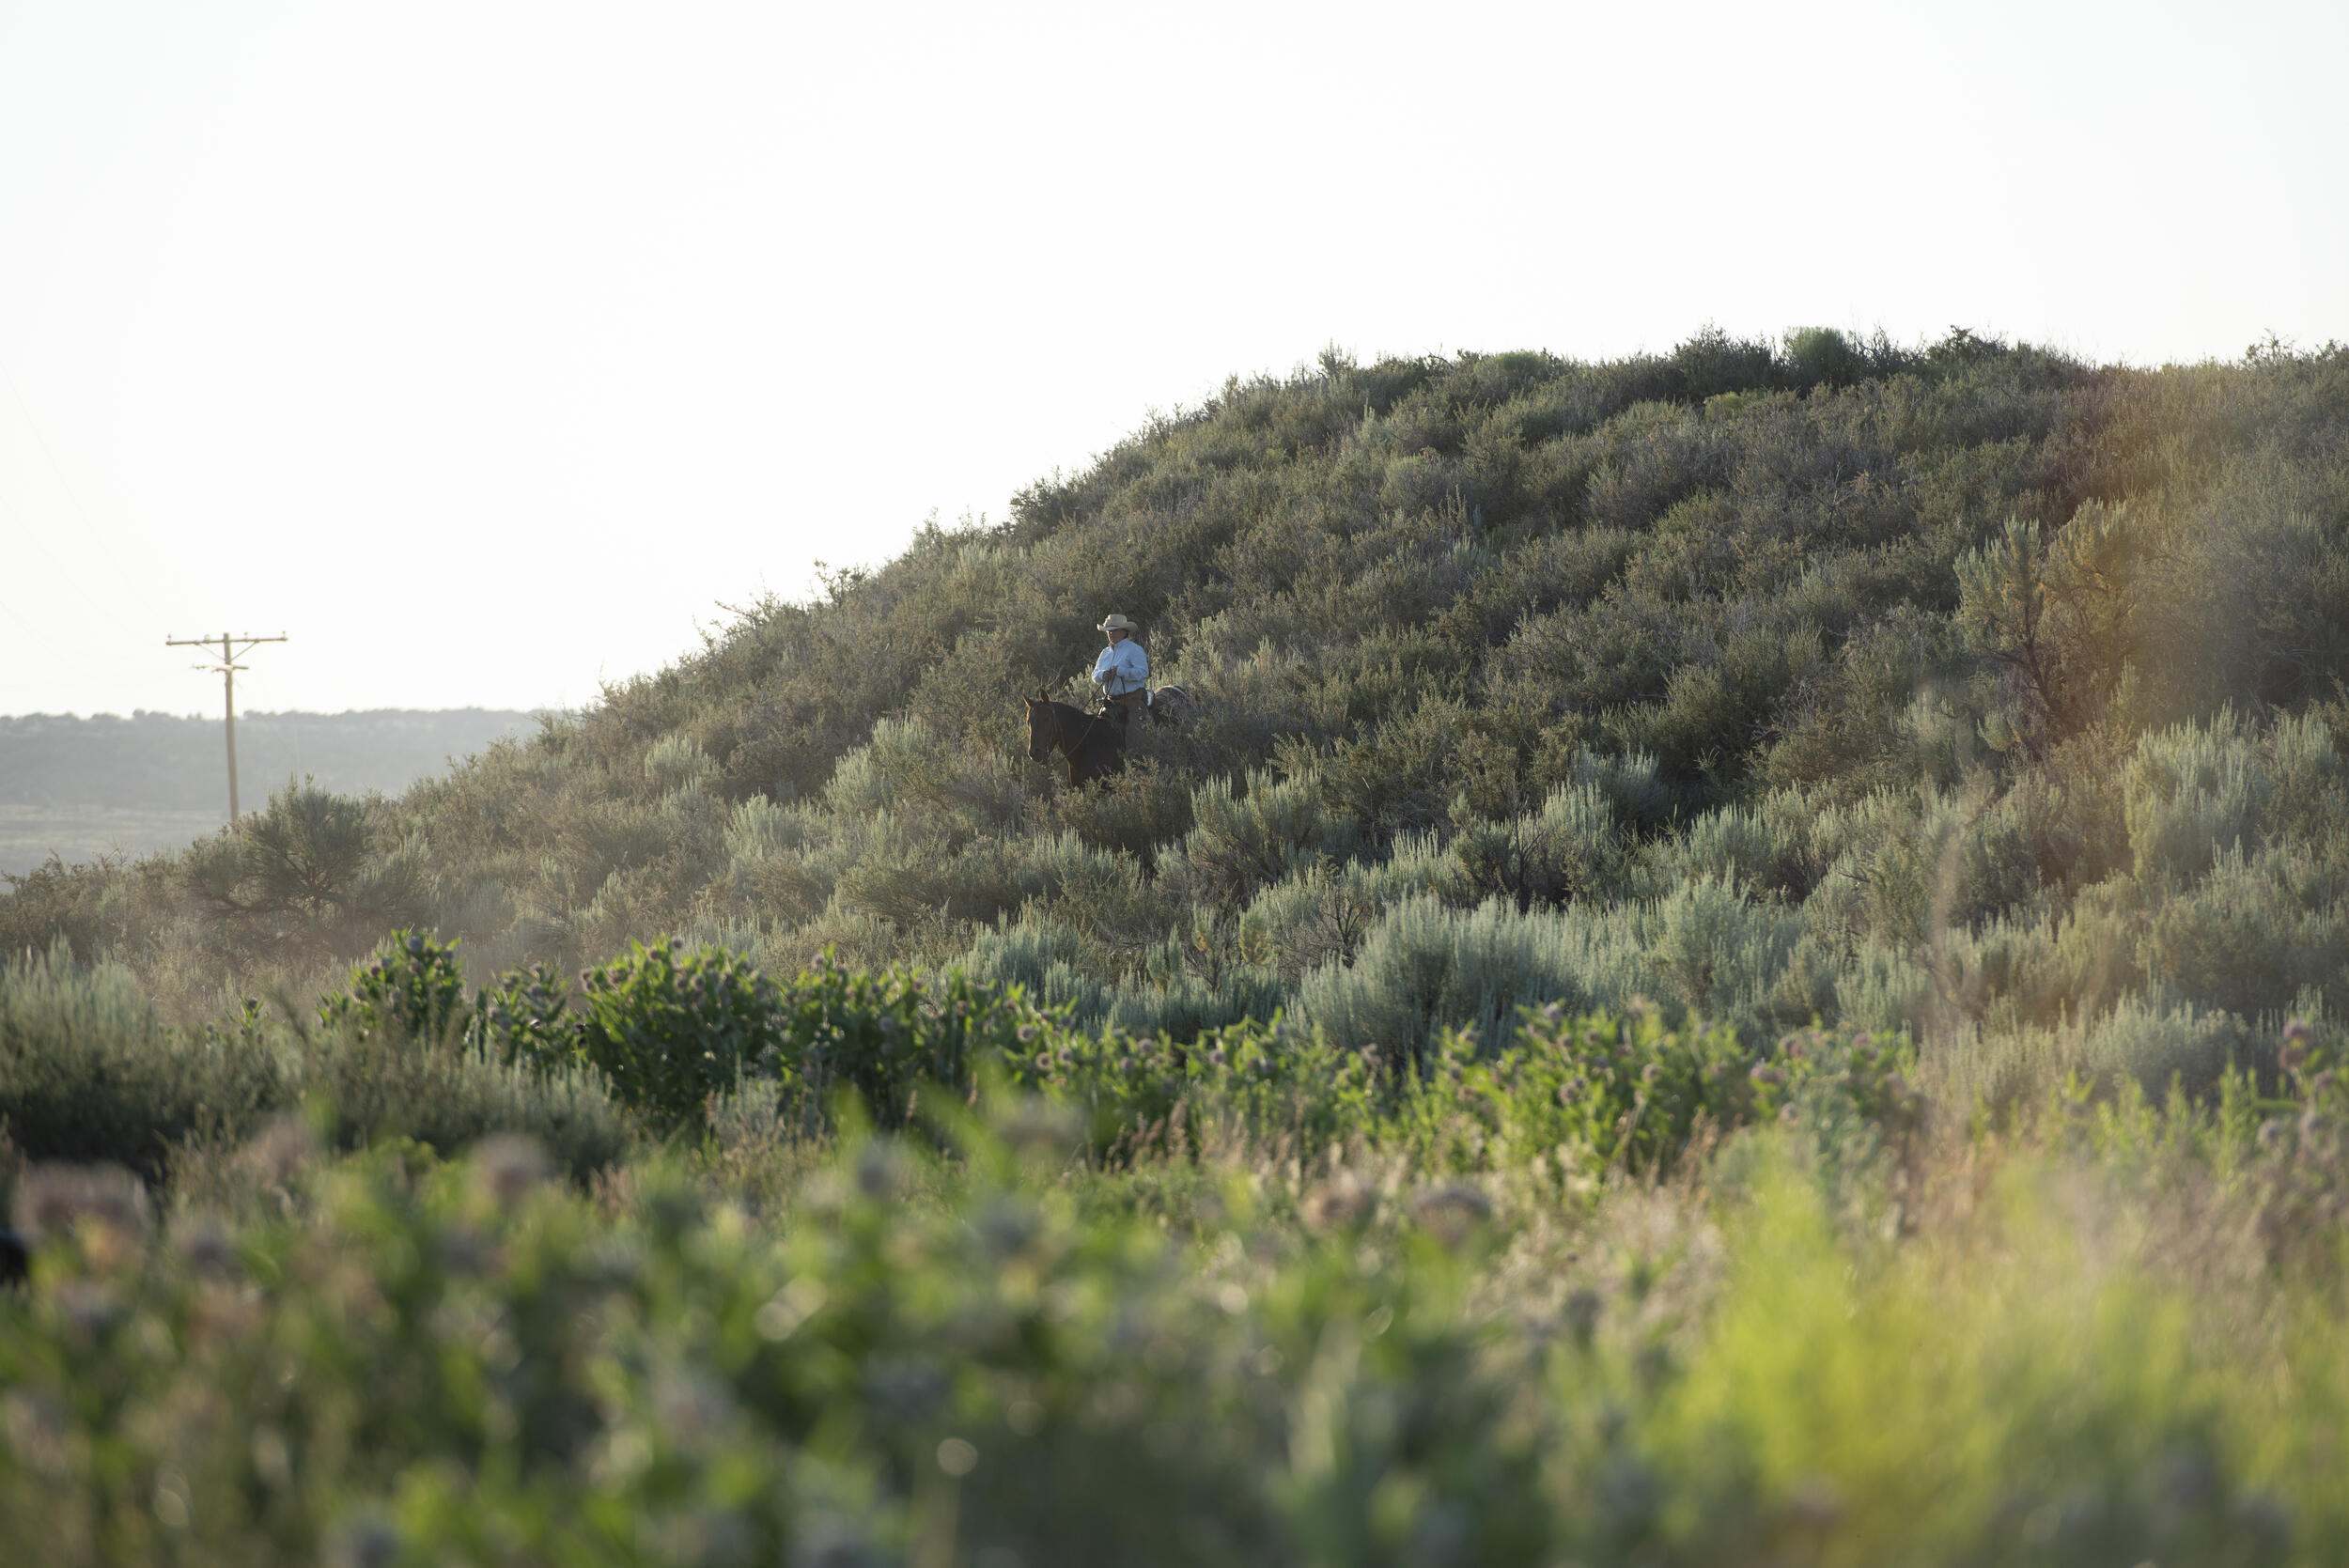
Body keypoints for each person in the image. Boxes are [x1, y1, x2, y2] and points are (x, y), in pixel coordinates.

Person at [1090, 613, 1149, 723]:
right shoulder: (1105, 653)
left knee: (1134, 736)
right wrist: (1103, 675)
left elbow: (1143, 672)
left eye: (1114, 630)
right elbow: (1094, 675)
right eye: (1108, 631)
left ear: (1124, 632)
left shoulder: (1134, 649)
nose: (1110, 633)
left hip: (1132, 702)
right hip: (1110, 703)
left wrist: (1121, 671)